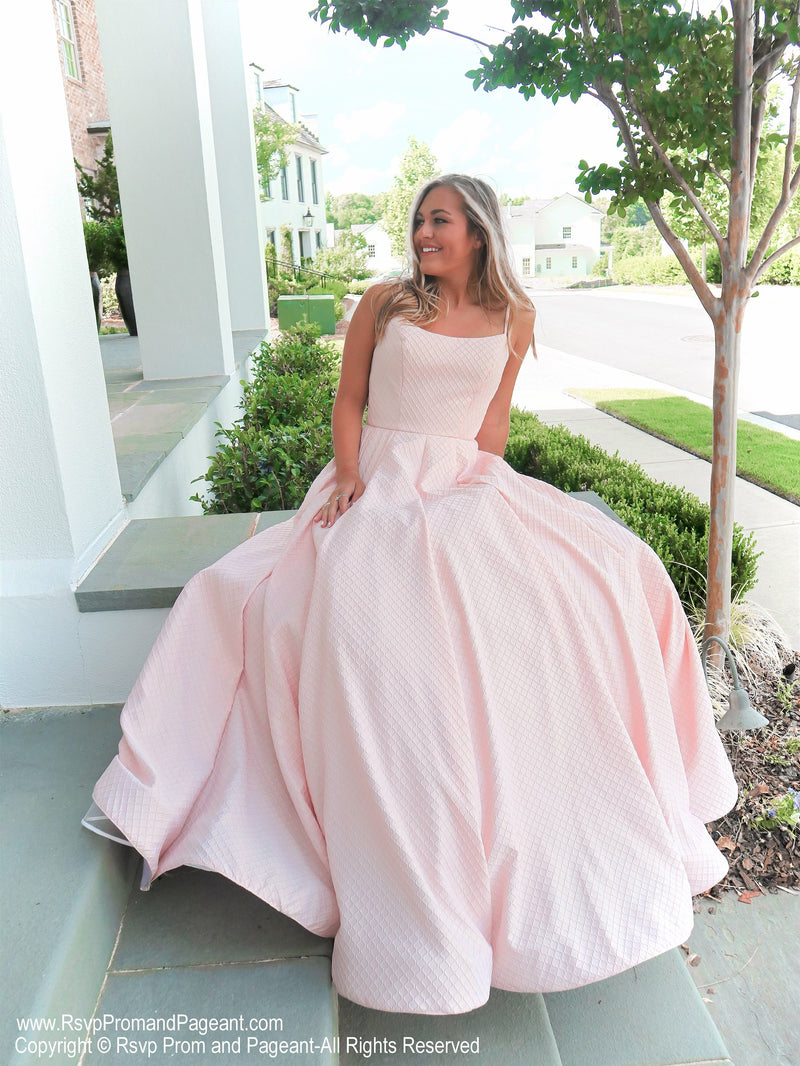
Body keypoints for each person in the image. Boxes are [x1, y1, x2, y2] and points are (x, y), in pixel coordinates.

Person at [83, 174, 737, 1016]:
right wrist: (351, 477)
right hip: (374, 478)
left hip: (461, 480)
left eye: (441, 220)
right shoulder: (387, 303)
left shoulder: (517, 317)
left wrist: (483, 488)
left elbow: (491, 426)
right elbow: (348, 400)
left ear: (478, 231)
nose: (425, 232)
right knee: (317, 595)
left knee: (606, 572)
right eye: (420, 219)